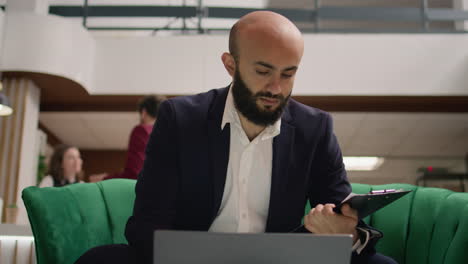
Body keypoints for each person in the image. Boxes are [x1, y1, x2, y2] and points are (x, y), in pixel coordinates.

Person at [76, 11, 396, 264]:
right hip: (191, 262)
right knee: (97, 260)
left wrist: (346, 234)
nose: (276, 88)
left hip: (280, 263)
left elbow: (345, 217)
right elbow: (146, 224)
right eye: (263, 71)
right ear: (231, 65)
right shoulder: (179, 119)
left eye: (288, 74)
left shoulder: (316, 128)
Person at [89, 95, 166, 182]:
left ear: (144, 112)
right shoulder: (169, 135)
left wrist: (104, 178)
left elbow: (135, 174)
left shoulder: (142, 131)